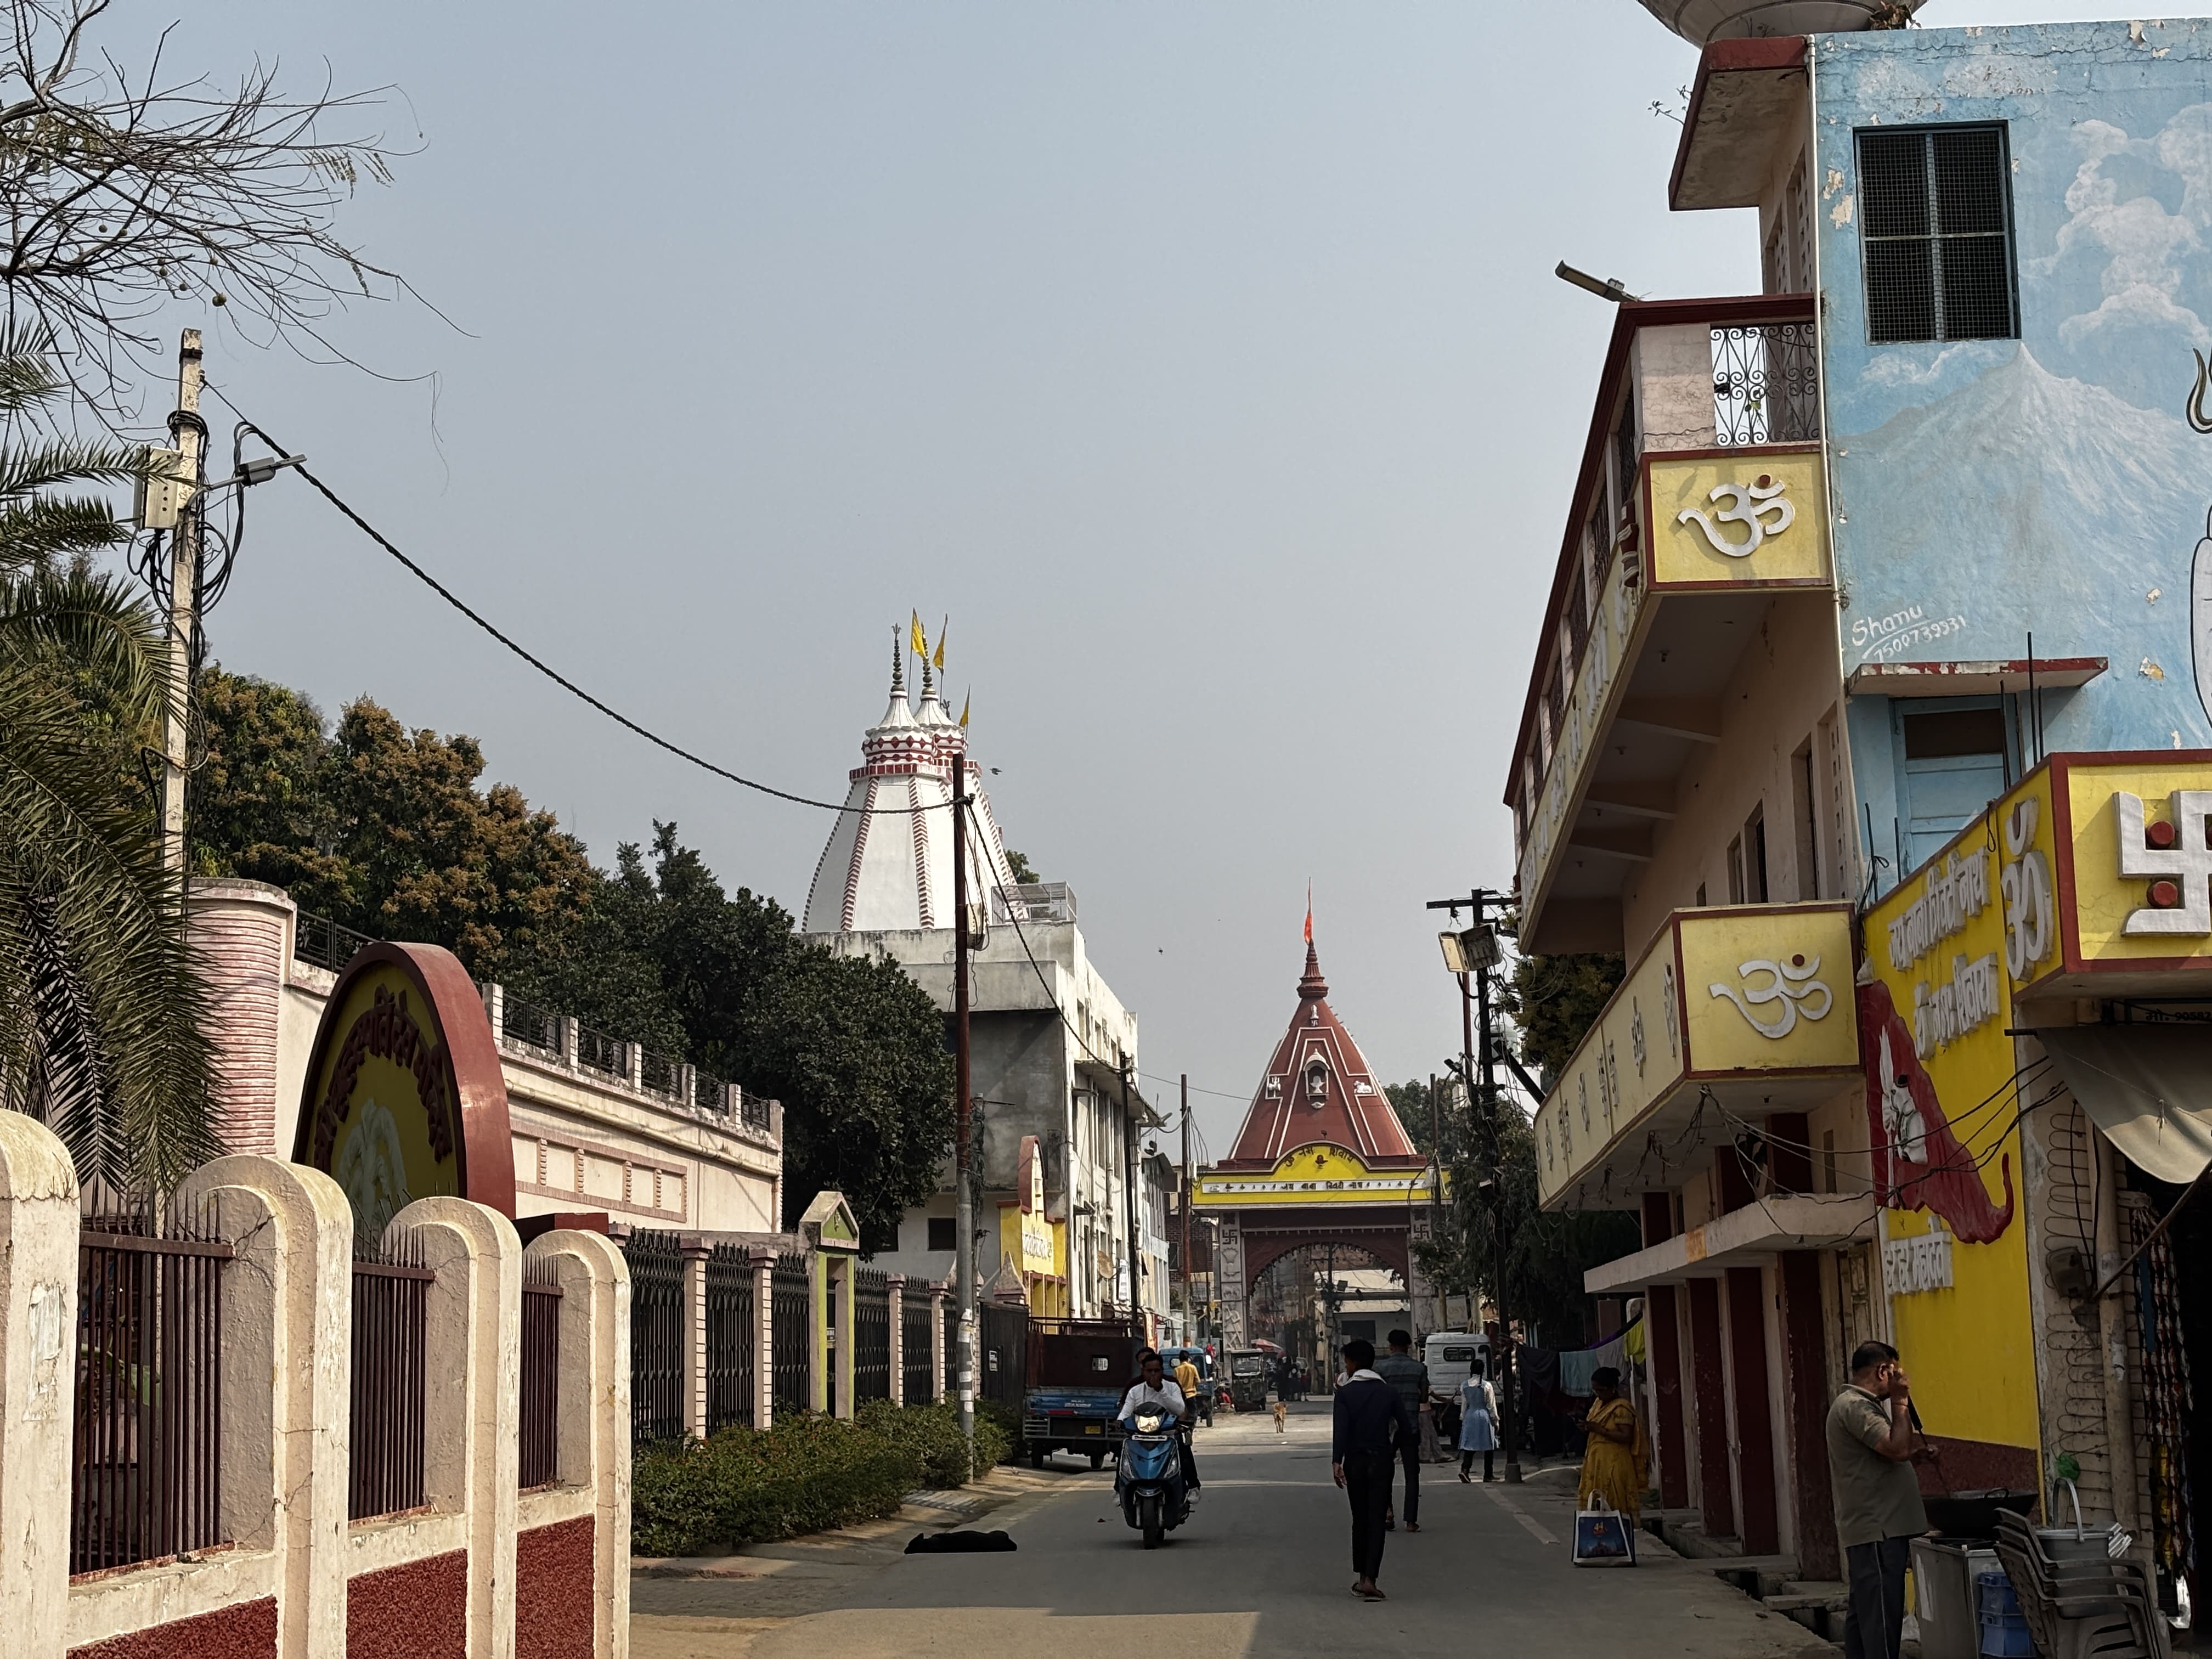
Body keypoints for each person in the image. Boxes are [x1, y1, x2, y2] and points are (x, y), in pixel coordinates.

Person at [1827, 1341, 1933, 1659]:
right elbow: (1895, 1448)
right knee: (1882, 1621)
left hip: (1878, 1529)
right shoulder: (1855, 1406)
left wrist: (1915, 1457)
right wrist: (1901, 1401)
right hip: (1878, 1531)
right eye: (1895, 1371)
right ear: (1883, 1370)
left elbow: (1885, 1457)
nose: (1899, 1378)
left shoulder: (1859, 1406)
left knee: (1866, 1616)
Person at [1332, 1338, 1415, 1602]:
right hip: (1381, 1460)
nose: (1346, 1366)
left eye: (1346, 1361)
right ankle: (1371, 1578)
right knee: (1377, 1518)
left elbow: (1341, 1431)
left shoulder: (1345, 1394)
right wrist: (1393, 1450)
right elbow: (1406, 1426)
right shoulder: (1388, 1392)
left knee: (1360, 1519)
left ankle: (1360, 1578)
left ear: (1354, 1363)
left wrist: (1337, 1462)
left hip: (1355, 1462)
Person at [1118, 1348, 1200, 1497]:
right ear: (1142, 1369)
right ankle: (1119, 1488)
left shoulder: (1172, 1385)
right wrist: (1120, 1422)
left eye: (1156, 1371)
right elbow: (1126, 1410)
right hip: (1141, 1434)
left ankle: (1193, 1486)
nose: (1153, 1374)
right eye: (1149, 1370)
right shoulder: (1135, 1389)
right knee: (1125, 1448)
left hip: (1167, 1433)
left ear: (1162, 1370)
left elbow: (1180, 1409)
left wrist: (1161, 1390)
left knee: (1183, 1448)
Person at [1578, 1366, 1650, 1523]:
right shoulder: (1598, 1403)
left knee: (1614, 1502)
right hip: (1597, 1462)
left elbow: (1626, 1436)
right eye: (1595, 1390)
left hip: (1615, 1463)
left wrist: (1600, 1430)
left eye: (1601, 1390)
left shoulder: (1622, 1408)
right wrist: (1587, 1427)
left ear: (1613, 1388)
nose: (1598, 1394)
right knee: (1596, 1504)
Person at [1374, 1329, 1430, 1531]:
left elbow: (1377, 1399)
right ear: (1409, 1346)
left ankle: (1388, 1513)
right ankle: (1411, 1521)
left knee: (1385, 1472)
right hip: (1410, 1426)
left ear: (1390, 1346)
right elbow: (1424, 1398)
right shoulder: (1419, 1369)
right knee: (1412, 1473)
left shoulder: (1381, 1369)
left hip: (1387, 1428)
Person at [1459, 1359, 1499, 1483]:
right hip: (1483, 1416)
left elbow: (1464, 1405)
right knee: (1489, 1446)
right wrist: (1496, 1420)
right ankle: (1488, 1474)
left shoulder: (1464, 1385)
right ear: (1483, 1370)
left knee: (1469, 1446)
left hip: (1470, 1416)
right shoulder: (1487, 1386)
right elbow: (1491, 1405)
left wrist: (1463, 1419)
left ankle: (1465, 1470)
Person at [1173, 1352, 1205, 1427]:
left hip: (1180, 1396)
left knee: (1181, 1414)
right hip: (1191, 1395)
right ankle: (1190, 1430)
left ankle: (1182, 1428)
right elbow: (1198, 1381)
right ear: (1188, 1359)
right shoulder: (1192, 1368)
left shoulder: (1177, 1370)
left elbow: (1174, 1384)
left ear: (1180, 1360)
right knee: (1193, 1414)